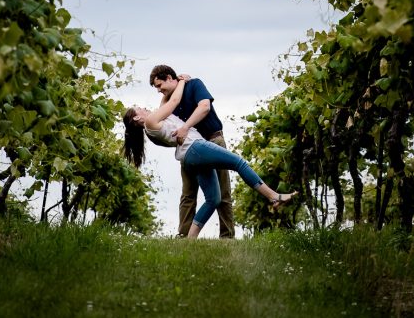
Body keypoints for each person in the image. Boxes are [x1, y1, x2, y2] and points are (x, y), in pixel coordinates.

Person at [123, 77, 297, 238]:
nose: (144, 108)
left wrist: (170, 88)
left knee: (213, 199)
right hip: (196, 147)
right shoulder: (150, 121)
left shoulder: (152, 124)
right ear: (137, 117)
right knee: (239, 162)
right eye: (139, 108)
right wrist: (182, 81)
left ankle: (190, 240)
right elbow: (174, 101)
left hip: (189, 156)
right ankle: (273, 196)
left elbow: (165, 103)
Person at [150, 64, 234, 238]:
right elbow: (162, 114)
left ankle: (227, 237)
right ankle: (184, 237)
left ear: (169, 78)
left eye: (159, 85)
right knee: (188, 195)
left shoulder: (194, 84)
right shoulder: (171, 101)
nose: (158, 90)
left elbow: (204, 107)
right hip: (189, 149)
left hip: (213, 140)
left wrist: (185, 127)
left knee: (223, 193)